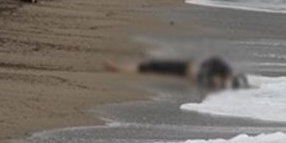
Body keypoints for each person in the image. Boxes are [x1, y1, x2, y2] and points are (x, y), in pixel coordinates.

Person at [105, 56, 249, 91]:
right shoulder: (221, 68)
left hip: (184, 75)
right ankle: (120, 68)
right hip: (186, 68)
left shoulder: (218, 83)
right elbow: (206, 62)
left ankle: (119, 68)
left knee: (154, 67)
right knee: (154, 66)